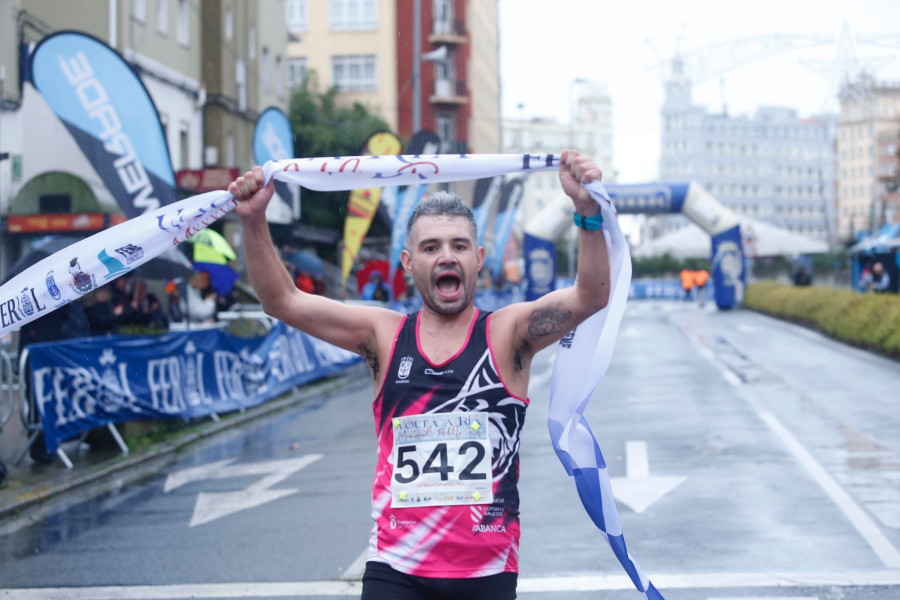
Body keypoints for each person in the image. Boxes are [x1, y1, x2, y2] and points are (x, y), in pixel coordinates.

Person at [229, 149, 610, 600]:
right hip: (396, 569)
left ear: (478, 258)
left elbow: (590, 295)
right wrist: (253, 222)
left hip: (485, 572)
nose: (446, 256)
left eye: (459, 246)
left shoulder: (508, 333)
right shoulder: (383, 334)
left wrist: (587, 213)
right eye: (431, 247)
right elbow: (283, 303)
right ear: (410, 263)